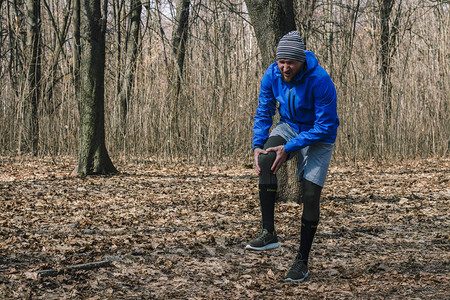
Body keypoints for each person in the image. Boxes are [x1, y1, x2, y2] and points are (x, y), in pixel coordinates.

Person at [245, 31, 339, 282]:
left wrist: (290, 148)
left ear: (301, 62)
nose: (285, 67)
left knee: (310, 194)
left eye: (291, 63)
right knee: (266, 158)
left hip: (319, 135)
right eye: (281, 62)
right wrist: (257, 144)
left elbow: (326, 125)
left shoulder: (320, 80)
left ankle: (302, 261)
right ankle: (268, 233)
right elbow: (264, 111)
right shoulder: (272, 74)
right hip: (288, 126)